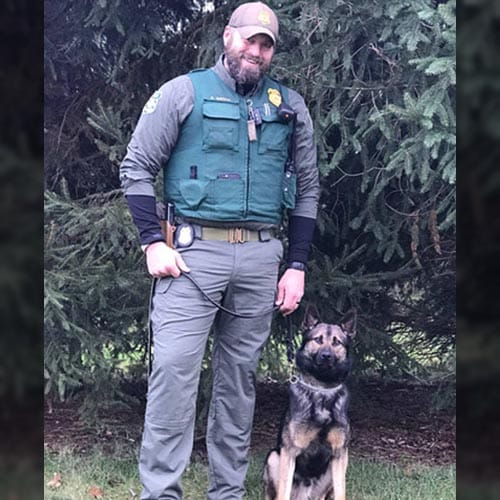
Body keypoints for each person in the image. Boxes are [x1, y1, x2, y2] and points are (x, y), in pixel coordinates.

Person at [119, 2, 319, 498]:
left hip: (260, 258)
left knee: (239, 385)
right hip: (190, 258)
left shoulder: (288, 105)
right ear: (228, 37)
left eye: (265, 44)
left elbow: (309, 189)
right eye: (249, 39)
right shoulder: (182, 92)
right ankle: (162, 492)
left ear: (272, 51)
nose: (255, 50)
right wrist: (150, 242)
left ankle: (227, 492)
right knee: (173, 377)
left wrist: (295, 265)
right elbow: (137, 166)